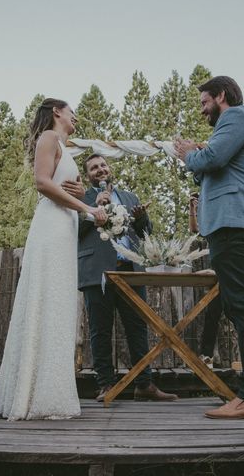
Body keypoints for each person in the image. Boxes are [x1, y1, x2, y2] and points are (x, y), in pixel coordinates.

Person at [174, 76, 244, 419]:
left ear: (221, 96)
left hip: (235, 222)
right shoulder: (231, 125)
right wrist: (198, 157)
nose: (202, 109)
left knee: (242, 307)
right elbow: (208, 169)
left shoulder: (235, 117)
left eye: (204, 101)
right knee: (243, 305)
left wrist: (190, 154)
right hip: (236, 224)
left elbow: (212, 160)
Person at [0, 99, 107, 420]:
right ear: (57, 112)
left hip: (65, 230)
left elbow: (61, 187)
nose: (75, 116)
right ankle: (32, 394)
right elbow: (42, 183)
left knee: (59, 306)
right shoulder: (48, 138)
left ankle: (49, 390)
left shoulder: (65, 148)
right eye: (71, 111)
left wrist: (80, 195)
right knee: (47, 301)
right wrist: (88, 208)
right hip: (51, 229)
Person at [78, 154, 178, 403]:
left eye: (103, 165)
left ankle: (144, 384)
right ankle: (106, 385)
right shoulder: (82, 198)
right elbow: (73, 230)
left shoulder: (129, 197)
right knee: (100, 330)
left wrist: (142, 218)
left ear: (109, 168)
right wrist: (94, 210)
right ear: (88, 174)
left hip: (131, 270)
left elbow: (145, 234)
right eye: (93, 168)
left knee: (137, 328)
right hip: (98, 271)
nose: (100, 170)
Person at [189, 193, 223, 368]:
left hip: (231, 273)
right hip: (219, 276)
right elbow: (195, 230)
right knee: (212, 315)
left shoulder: (225, 218)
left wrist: (214, 271)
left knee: (239, 314)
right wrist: (192, 209)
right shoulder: (211, 224)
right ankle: (207, 356)